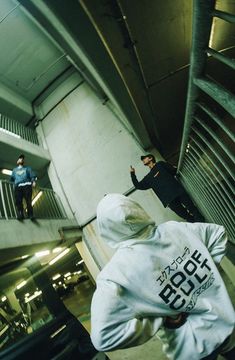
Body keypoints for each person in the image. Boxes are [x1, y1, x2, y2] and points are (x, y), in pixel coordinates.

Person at [90, 193, 235, 360]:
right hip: (223, 321)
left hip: (190, 346)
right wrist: (206, 270)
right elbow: (218, 234)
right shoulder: (175, 229)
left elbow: (104, 338)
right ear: (137, 209)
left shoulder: (115, 274)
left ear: (106, 228)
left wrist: (160, 317)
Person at [130, 154, 205, 222]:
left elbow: (173, 170)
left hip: (178, 192)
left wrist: (172, 169)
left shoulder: (160, 164)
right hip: (169, 200)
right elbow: (138, 185)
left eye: (144, 158)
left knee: (192, 209)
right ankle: (198, 229)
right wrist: (132, 174)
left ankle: (204, 224)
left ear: (150, 158)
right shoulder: (148, 177)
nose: (143, 160)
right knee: (186, 216)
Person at [11, 154, 37, 220]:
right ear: (17, 162)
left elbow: (32, 175)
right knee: (18, 201)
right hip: (18, 187)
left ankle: (30, 214)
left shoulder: (27, 168)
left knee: (28, 201)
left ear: (23, 161)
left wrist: (33, 181)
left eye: (22, 158)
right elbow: (12, 178)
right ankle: (20, 214)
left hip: (27, 185)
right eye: (19, 158)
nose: (21, 159)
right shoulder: (14, 170)